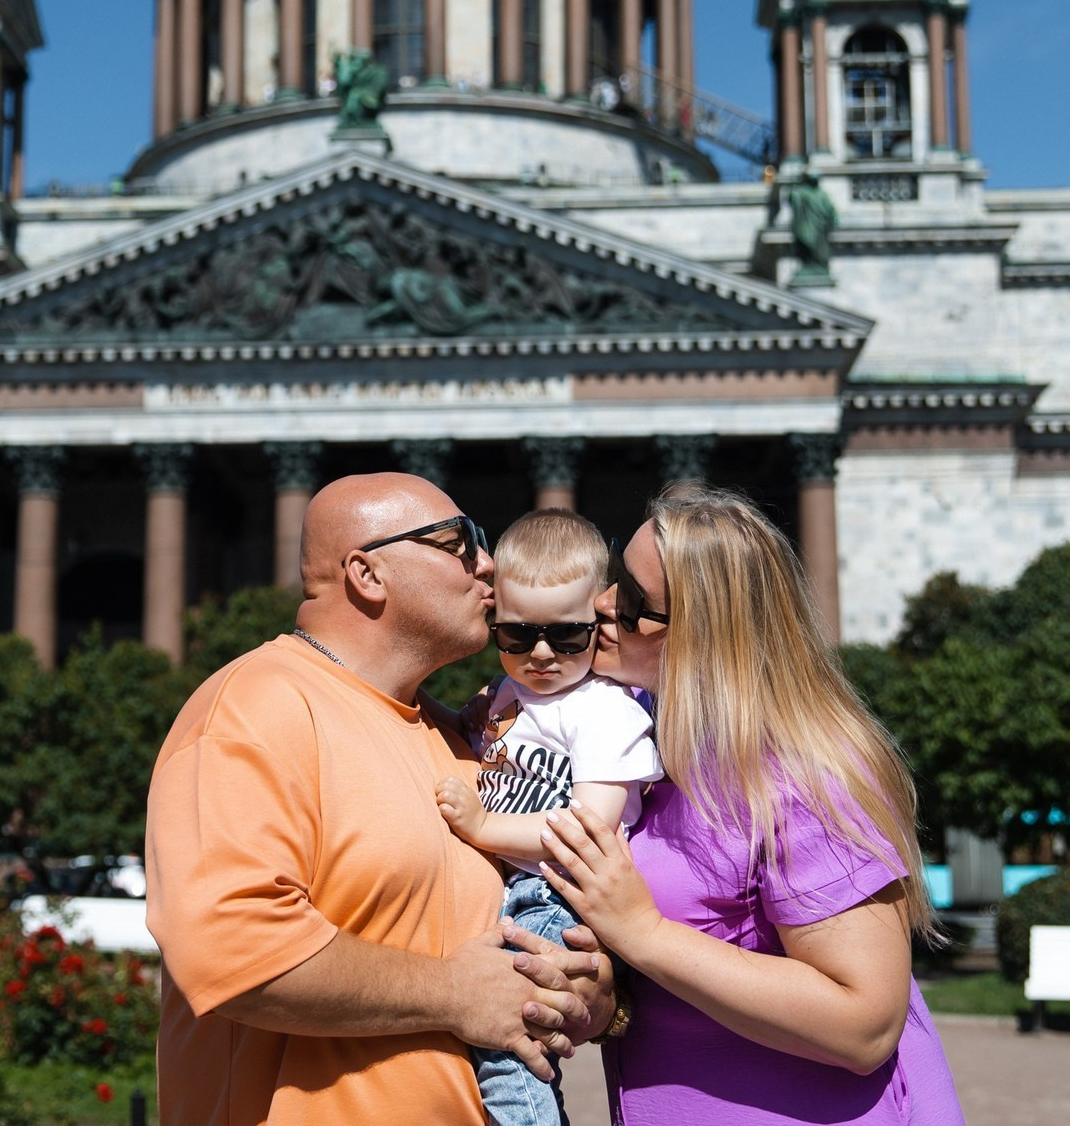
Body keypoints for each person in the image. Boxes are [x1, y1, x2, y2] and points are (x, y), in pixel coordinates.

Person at [145, 473, 614, 1126]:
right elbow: (232, 954)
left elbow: (516, 947)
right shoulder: (256, 706)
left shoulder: (465, 736)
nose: (488, 564)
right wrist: (455, 993)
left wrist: (585, 991)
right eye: (459, 543)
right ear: (368, 573)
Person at [539, 481, 966, 1125]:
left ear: (708, 634)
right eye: (612, 579)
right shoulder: (650, 748)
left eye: (633, 602)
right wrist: (610, 999)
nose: (599, 604)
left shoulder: (804, 775)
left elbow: (863, 1023)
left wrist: (645, 936)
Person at [436, 509, 662, 1126]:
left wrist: (481, 828)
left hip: (558, 892)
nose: (539, 653)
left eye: (566, 636)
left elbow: (587, 832)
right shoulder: (508, 693)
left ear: (601, 619)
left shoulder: (605, 711)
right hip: (512, 884)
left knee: (513, 1041)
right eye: (517, 635)